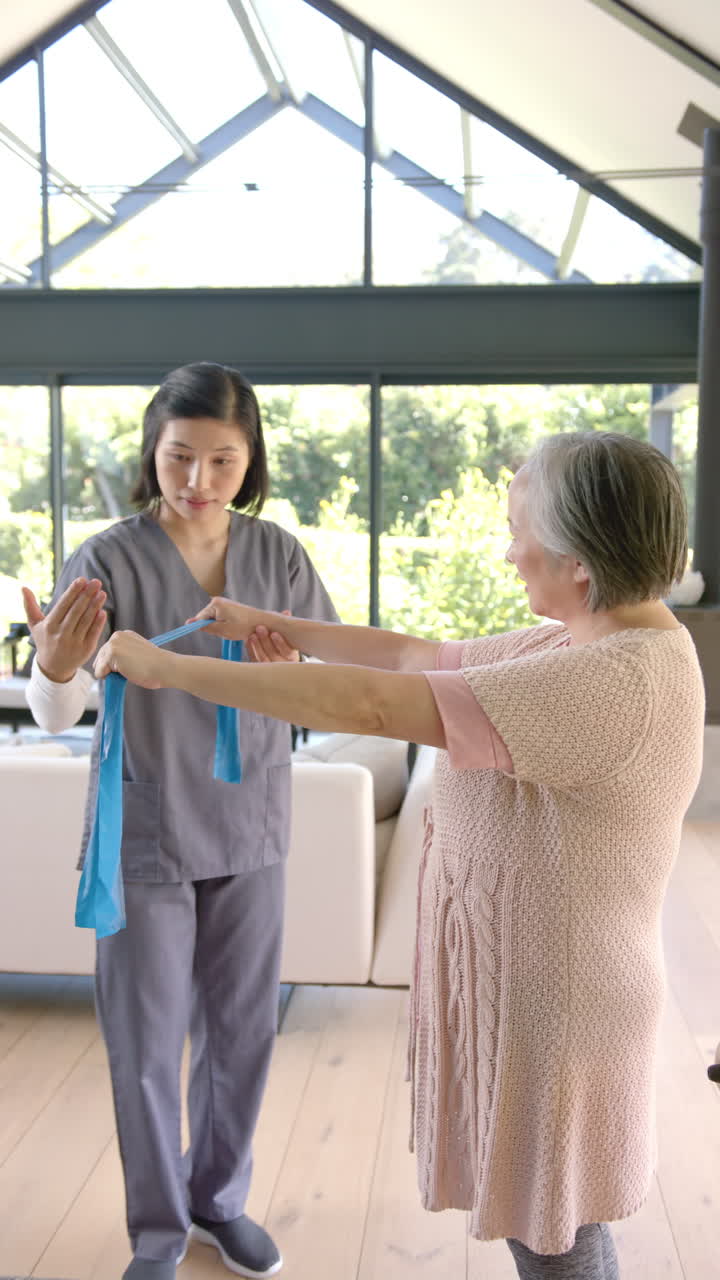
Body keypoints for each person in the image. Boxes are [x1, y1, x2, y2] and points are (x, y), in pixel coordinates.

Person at [94, 431, 705, 1280]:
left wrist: (175, 668)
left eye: (520, 529)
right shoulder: (588, 640)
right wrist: (264, 623)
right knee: (557, 1227)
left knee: (557, 1242)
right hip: (558, 991)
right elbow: (419, 658)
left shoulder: (609, 678)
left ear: (579, 560)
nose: (508, 549)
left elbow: (379, 706)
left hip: (564, 1007)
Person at [22, 362, 339, 1280]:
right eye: (180, 458)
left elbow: (319, 679)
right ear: (152, 452)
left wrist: (285, 666)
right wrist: (51, 667)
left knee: (243, 1034)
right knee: (148, 1045)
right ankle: (158, 1234)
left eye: (222, 462)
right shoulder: (109, 558)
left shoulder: (277, 555)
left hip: (252, 826)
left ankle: (219, 1202)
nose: (198, 482)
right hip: (148, 830)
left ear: (251, 462)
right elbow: (56, 713)